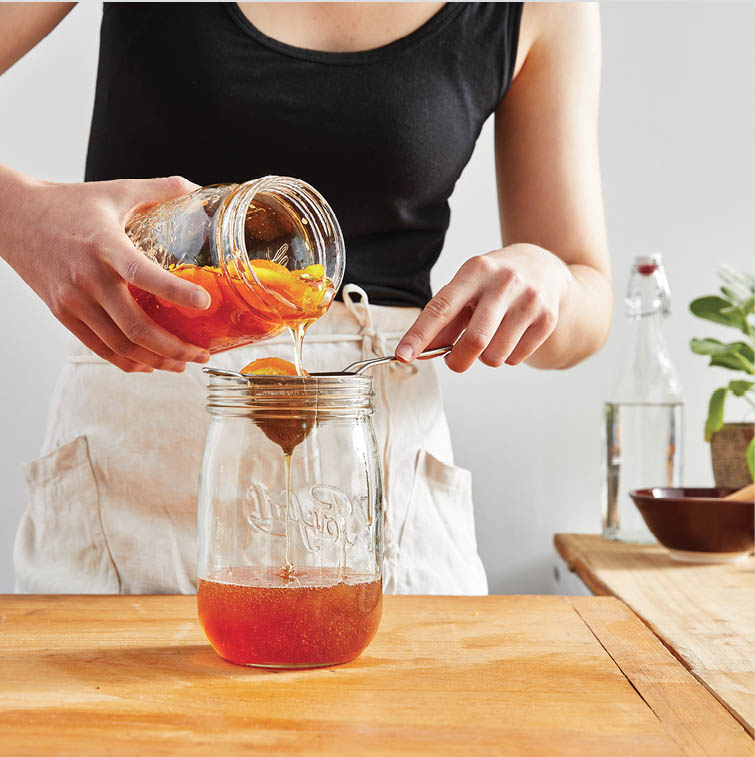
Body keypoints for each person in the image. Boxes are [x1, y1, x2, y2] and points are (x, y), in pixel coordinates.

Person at [1, 2, 611, 595]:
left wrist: (548, 277)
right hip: (131, 476)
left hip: (381, 504)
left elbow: (588, 296)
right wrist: (18, 214)